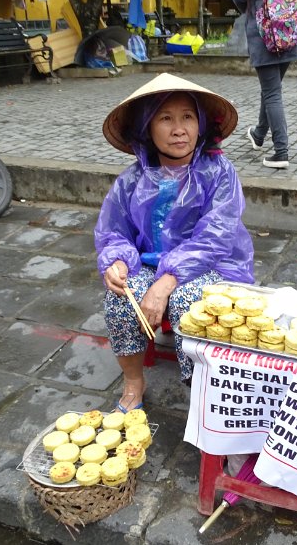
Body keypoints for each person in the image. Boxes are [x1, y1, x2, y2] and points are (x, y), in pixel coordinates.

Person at [94, 73, 255, 411]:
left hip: (213, 266)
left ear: (201, 124)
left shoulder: (219, 172)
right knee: (122, 296)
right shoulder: (132, 178)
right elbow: (114, 232)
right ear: (147, 128)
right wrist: (118, 261)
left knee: (190, 302)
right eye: (165, 118)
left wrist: (167, 281)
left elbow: (216, 238)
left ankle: (201, 388)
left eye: (187, 117)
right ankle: (133, 381)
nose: (178, 128)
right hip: (151, 265)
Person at [231, 0, 297, 169]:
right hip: (289, 29)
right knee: (271, 89)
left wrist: (254, 8)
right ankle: (259, 133)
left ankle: (281, 151)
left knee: (272, 93)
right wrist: (287, 8)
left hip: (264, 31)